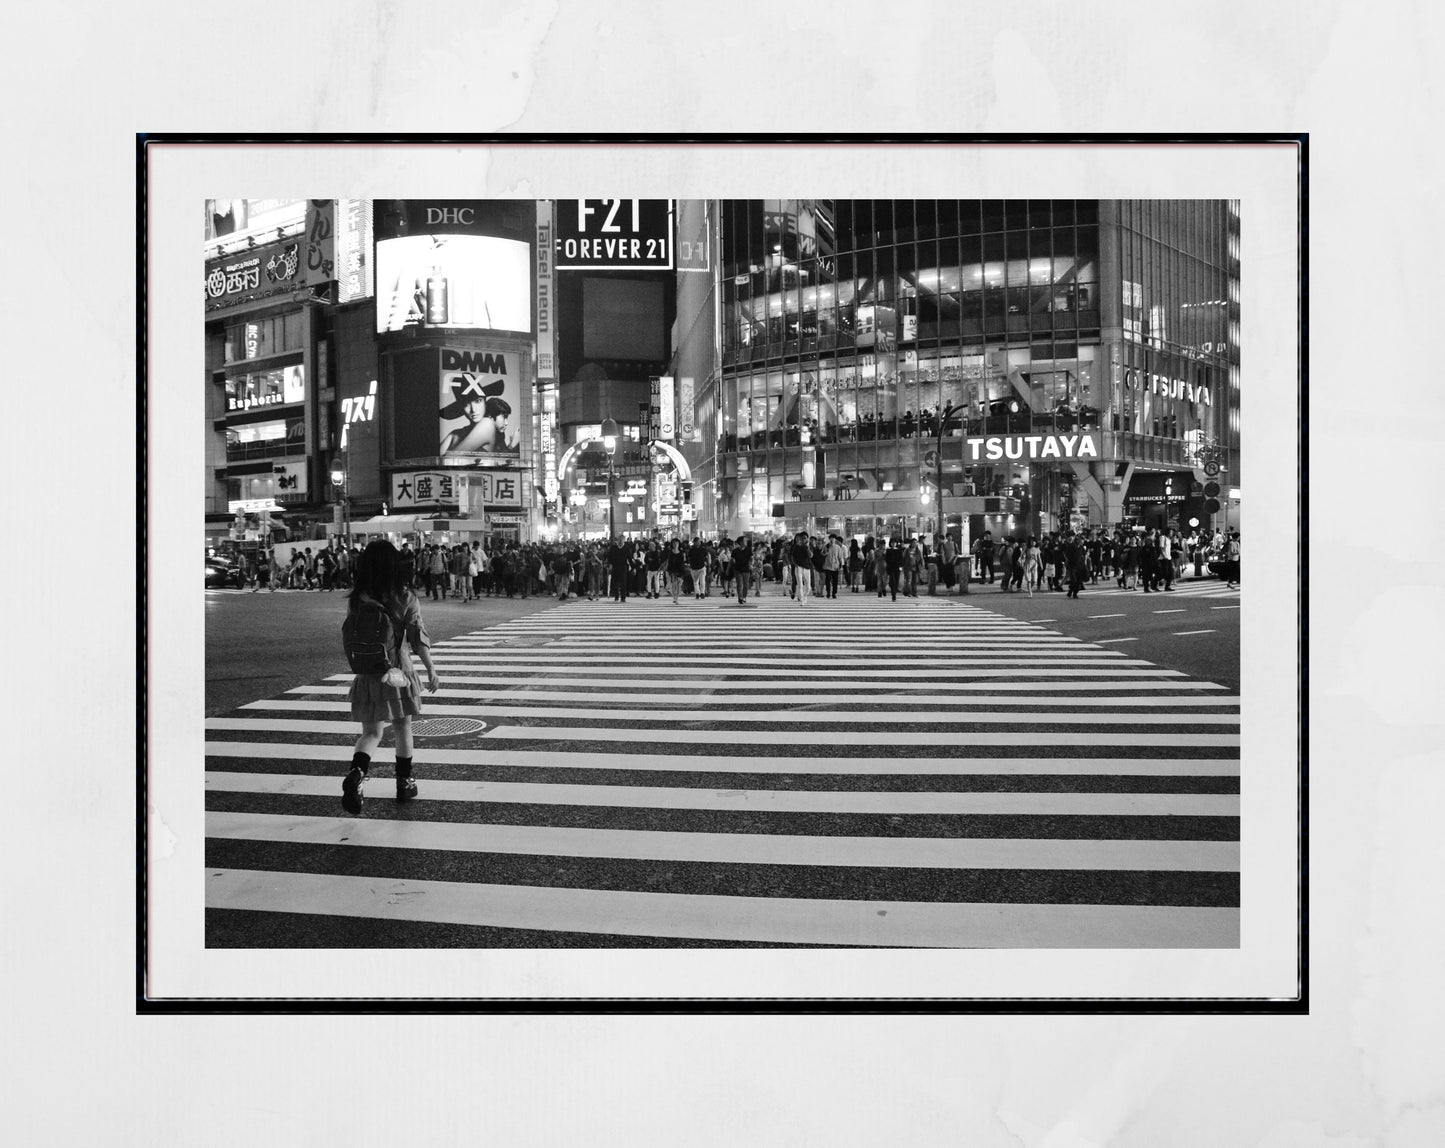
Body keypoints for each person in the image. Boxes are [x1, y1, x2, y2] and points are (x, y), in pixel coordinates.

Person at [341, 540, 440, 815]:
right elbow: (417, 637)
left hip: (369, 672)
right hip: (398, 671)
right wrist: (431, 668)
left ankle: (357, 773)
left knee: (371, 733)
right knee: (402, 727)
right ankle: (404, 783)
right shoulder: (404, 595)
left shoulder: (357, 597)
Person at [439, 374, 518, 454]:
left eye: (478, 401)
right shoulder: (456, 433)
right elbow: (442, 460)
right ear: (462, 408)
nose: (473, 410)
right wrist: (511, 446)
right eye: (466, 404)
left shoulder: (487, 424)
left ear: (485, 402)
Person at [789, 530, 813, 605]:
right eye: (802, 538)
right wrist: (795, 564)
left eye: (805, 538)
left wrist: (807, 546)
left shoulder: (808, 546)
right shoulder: (796, 547)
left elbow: (811, 555)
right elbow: (792, 556)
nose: (804, 540)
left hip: (806, 567)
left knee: (808, 587)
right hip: (798, 567)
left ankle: (804, 596)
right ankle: (801, 599)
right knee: (800, 584)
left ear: (807, 539)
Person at [732, 534, 753, 606]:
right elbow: (732, 560)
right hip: (738, 569)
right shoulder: (735, 551)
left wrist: (751, 564)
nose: (746, 542)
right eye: (744, 541)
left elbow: (751, 558)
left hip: (746, 569)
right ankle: (740, 597)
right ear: (741, 542)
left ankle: (744, 596)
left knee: (746, 585)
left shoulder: (748, 550)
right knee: (739, 584)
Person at [665, 538, 687, 603]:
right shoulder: (670, 552)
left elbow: (684, 561)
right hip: (672, 570)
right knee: (674, 584)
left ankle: (676, 597)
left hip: (680, 570)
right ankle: (674, 598)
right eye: (674, 543)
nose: (675, 545)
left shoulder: (681, 553)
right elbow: (669, 562)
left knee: (679, 584)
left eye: (676, 543)